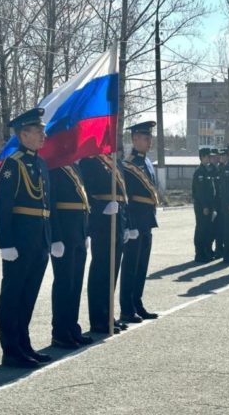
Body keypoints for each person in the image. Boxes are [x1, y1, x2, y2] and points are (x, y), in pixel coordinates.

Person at [0, 107, 52, 368]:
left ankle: (24, 343)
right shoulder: (13, 163)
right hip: (19, 241)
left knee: (28, 295)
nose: (43, 135)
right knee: (13, 294)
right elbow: (2, 205)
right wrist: (5, 243)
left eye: (43, 130)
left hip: (39, 239)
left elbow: (45, 205)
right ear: (23, 134)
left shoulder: (39, 163)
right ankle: (11, 349)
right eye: (38, 131)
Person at [79, 153, 131, 334]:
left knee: (112, 271)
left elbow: (124, 196)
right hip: (102, 222)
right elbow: (85, 193)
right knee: (101, 270)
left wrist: (127, 224)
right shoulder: (89, 161)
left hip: (118, 220)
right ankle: (98, 319)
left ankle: (108, 315)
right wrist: (102, 209)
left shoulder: (114, 161)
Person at [49, 163, 93, 349]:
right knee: (64, 283)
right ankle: (60, 331)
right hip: (64, 235)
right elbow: (51, 204)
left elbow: (84, 204)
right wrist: (56, 237)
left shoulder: (75, 167)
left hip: (78, 233)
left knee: (75, 284)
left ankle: (72, 327)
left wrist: (85, 232)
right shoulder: (54, 168)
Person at [120, 121, 159, 321]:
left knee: (142, 265)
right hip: (135, 220)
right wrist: (129, 225)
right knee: (130, 266)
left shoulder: (147, 163)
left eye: (150, 137)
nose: (149, 140)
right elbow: (126, 198)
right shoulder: (128, 165)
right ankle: (127, 308)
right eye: (146, 137)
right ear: (135, 139)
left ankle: (137, 303)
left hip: (147, 220)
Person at [192, 147, 216, 262]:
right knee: (201, 229)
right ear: (202, 157)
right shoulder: (199, 172)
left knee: (208, 229)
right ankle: (199, 253)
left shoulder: (208, 170)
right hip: (202, 206)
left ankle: (207, 251)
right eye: (207, 156)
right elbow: (200, 192)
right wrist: (205, 206)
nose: (209, 158)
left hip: (209, 205)